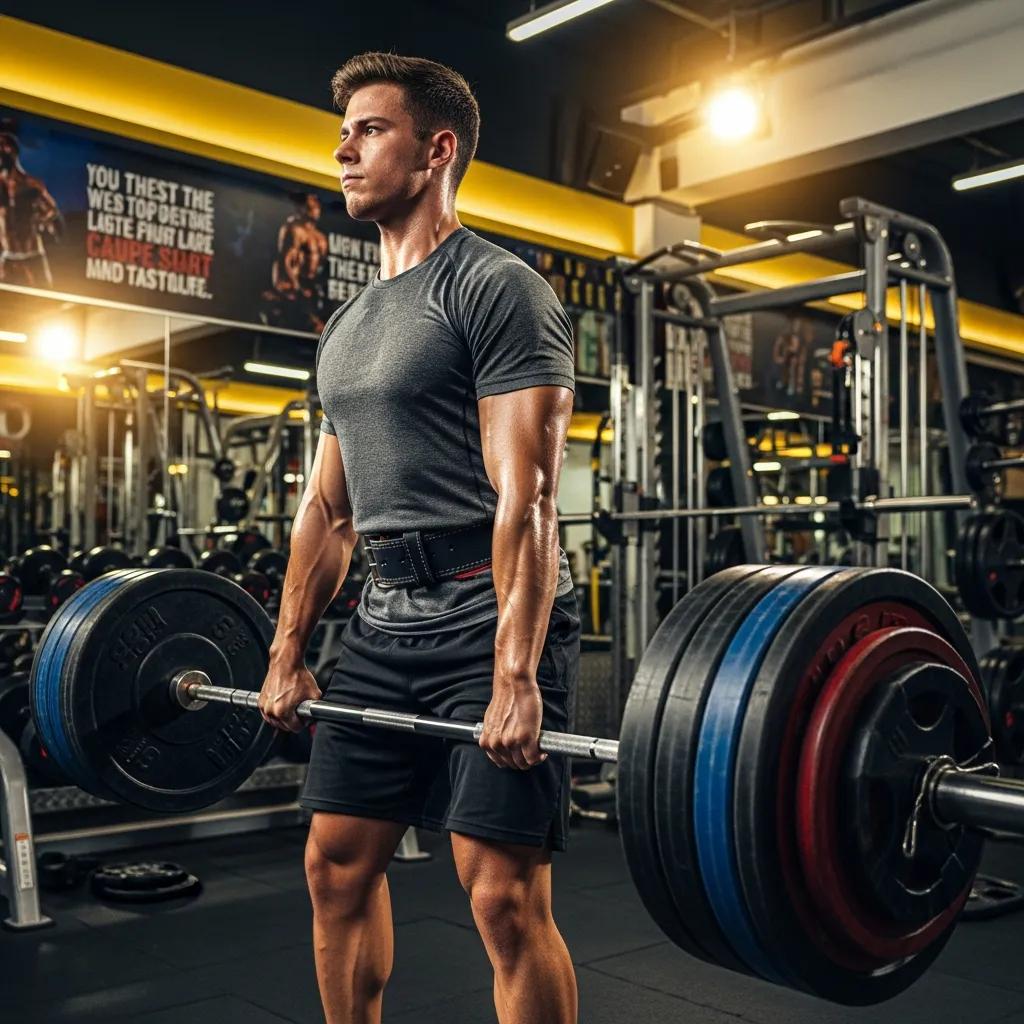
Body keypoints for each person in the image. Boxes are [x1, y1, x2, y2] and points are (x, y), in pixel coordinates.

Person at [257, 52, 580, 1024]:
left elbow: (524, 497)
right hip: (381, 625)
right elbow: (328, 511)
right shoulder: (346, 326)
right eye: (343, 130)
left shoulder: (497, 288)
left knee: (501, 895)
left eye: (369, 129)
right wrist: (289, 648)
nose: (342, 148)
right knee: (334, 865)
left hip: (485, 612)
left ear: (436, 149)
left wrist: (514, 672)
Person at [261, 191, 329, 332]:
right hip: (295, 287)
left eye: (317, 204)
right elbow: (285, 261)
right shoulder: (294, 229)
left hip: (312, 288)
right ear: (302, 207)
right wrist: (296, 287)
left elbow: (322, 267)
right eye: (311, 203)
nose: (316, 207)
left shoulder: (320, 237)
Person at [0, 129, 60, 287]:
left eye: (2, 146)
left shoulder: (32, 184)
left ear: (13, 151)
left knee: (47, 302)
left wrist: (39, 221)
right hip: (9, 257)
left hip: (33, 255)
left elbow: (52, 210)